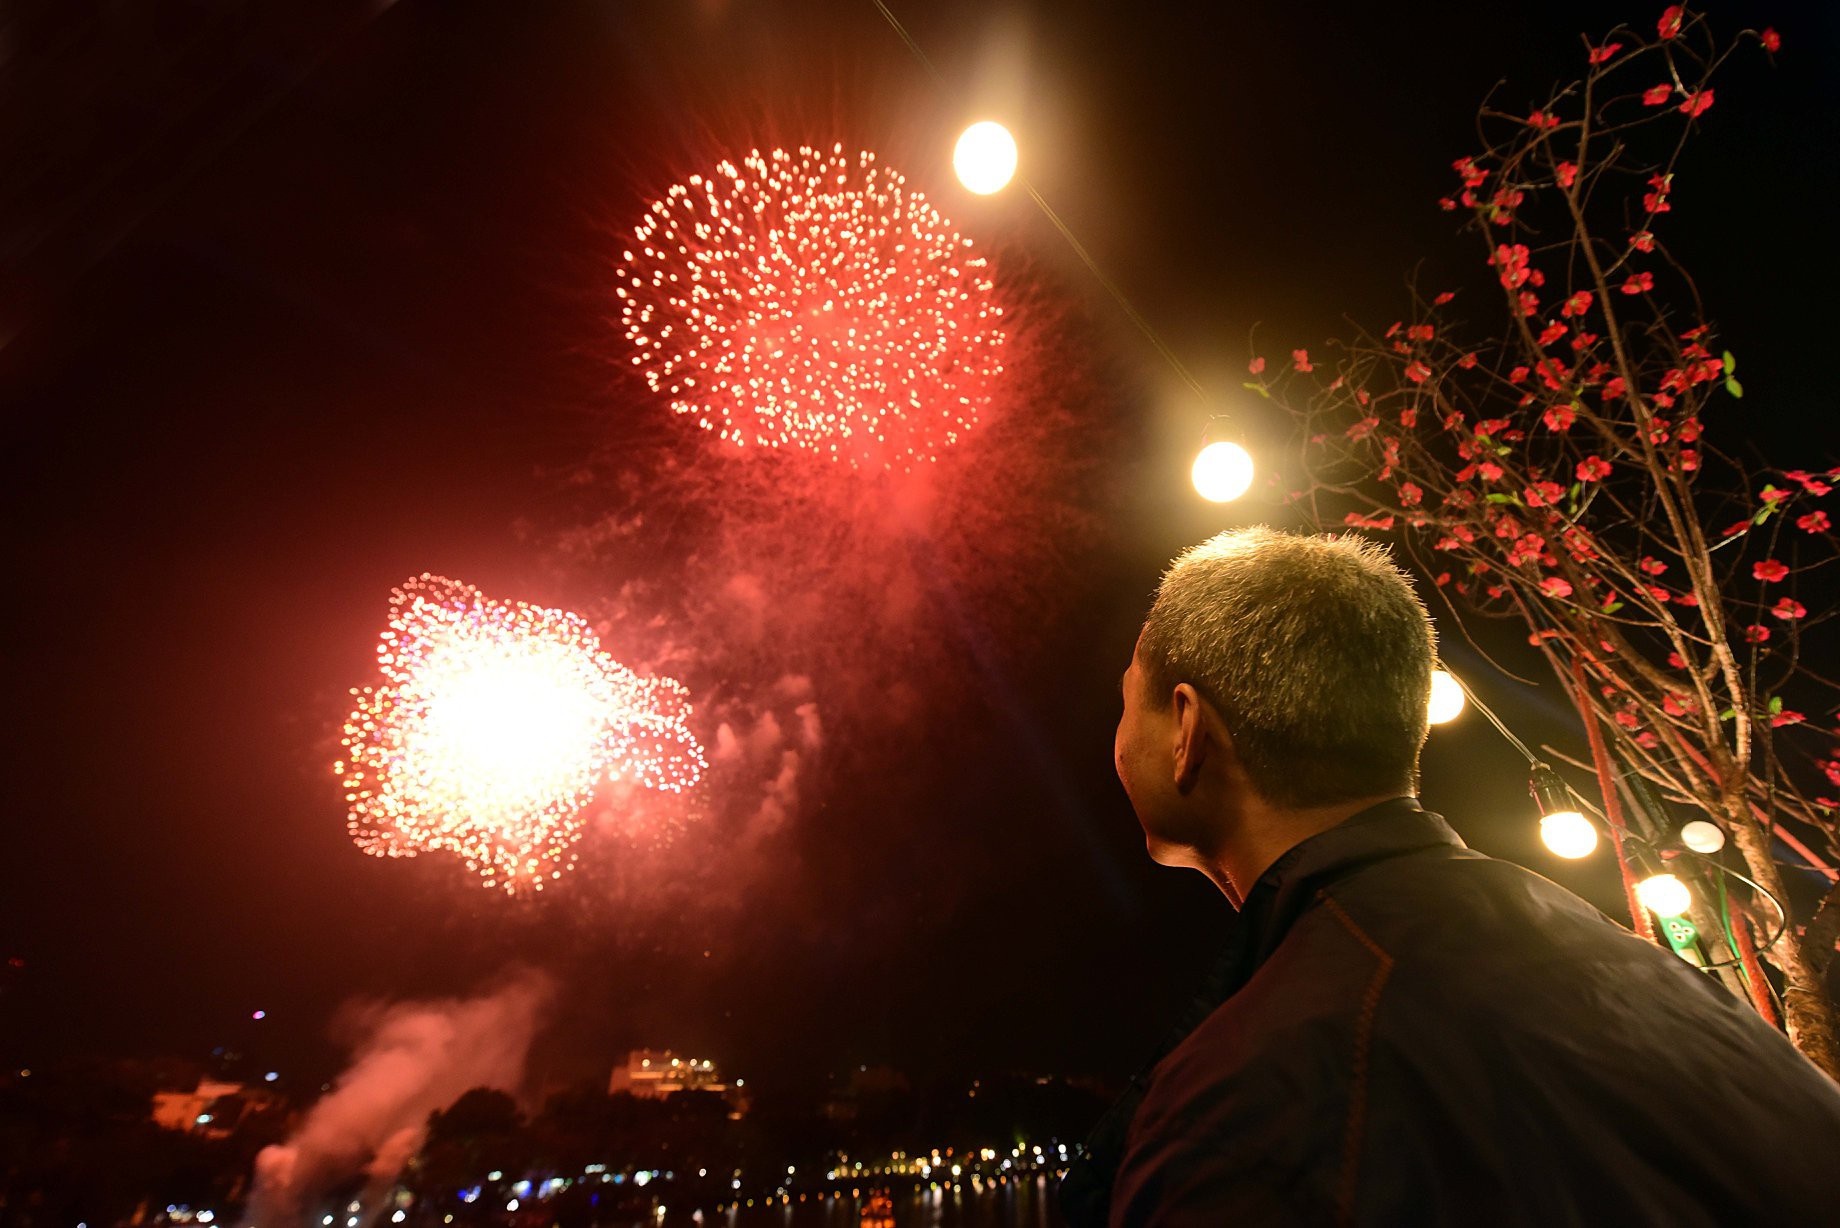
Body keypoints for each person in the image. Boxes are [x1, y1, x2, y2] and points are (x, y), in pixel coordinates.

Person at [1060, 526, 1840, 1226]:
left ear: (1187, 730)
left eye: (1128, 701)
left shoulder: (1253, 1095)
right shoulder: (1645, 972)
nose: (1117, 735)